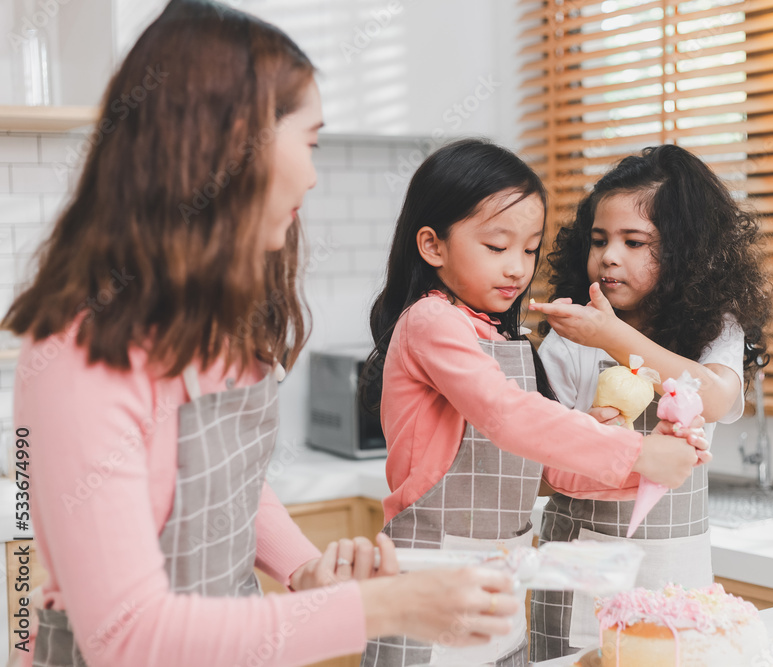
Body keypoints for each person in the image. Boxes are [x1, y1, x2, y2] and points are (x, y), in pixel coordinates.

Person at [3, 2, 522, 665]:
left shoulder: (213, 328)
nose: (312, 173)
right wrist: (386, 606)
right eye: (308, 142)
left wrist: (305, 570)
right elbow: (126, 636)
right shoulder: (80, 354)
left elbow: (227, 489)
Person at [357, 138, 708, 666]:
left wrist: (655, 464)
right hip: (430, 587)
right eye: (497, 247)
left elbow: (551, 468)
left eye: (529, 249)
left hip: (497, 597)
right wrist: (636, 454)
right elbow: (506, 416)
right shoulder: (431, 322)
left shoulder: (504, 339)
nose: (518, 268)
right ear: (432, 246)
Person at [527, 144, 772, 660]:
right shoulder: (570, 340)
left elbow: (714, 396)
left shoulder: (715, 329)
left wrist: (612, 336)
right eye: (599, 240)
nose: (610, 255)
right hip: (580, 575)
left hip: (674, 574)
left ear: (686, 253)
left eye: (634, 242)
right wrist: (588, 434)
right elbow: (538, 465)